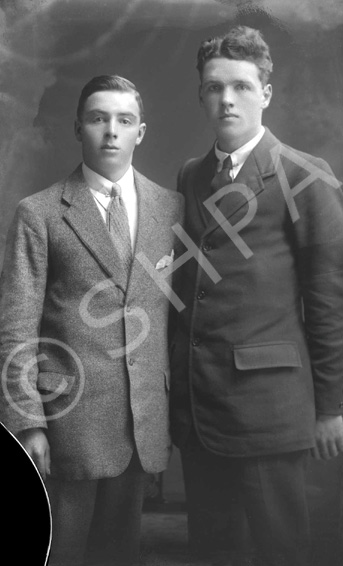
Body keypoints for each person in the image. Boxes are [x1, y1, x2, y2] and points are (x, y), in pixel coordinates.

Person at [169, 26, 343, 566]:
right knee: (213, 552)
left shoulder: (305, 175)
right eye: (215, 87)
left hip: (271, 408)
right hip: (200, 410)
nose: (227, 99)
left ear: (266, 92)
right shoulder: (192, 175)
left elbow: (328, 298)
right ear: (201, 94)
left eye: (242, 86)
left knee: (282, 553)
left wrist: (332, 406)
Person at [0, 74, 183, 566]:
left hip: (141, 420)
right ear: (78, 126)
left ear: (140, 132)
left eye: (124, 120)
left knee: (119, 555)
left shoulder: (171, 207)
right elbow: (15, 326)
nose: (111, 131)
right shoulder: (38, 213)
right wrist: (26, 423)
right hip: (67, 421)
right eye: (99, 119)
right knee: (60, 553)